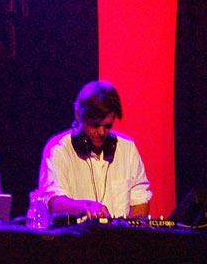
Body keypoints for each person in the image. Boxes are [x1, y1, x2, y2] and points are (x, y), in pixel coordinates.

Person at [38, 80, 152, 219]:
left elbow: (140, 198)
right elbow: (53, 201)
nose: (102, 132)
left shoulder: (127, 149)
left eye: (108, 126)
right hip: (77, 233)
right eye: (95, 125)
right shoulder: (59, 149)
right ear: (78, 115)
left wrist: (129, 229)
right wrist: (86, 206)